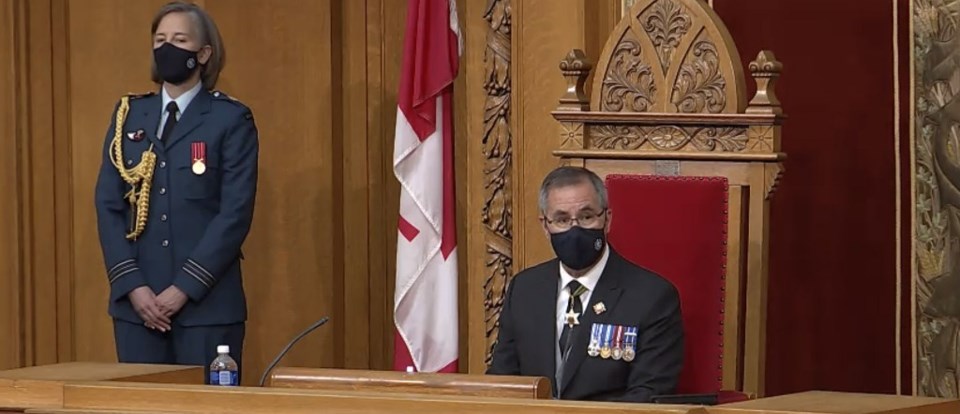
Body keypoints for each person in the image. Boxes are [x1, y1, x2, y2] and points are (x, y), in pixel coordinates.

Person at [94, 1, 257, 381]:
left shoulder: (230, 119)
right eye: (160, 39)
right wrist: (133, 287)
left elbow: (234, 213)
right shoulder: (129, 116)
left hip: (208, 309)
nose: (168, 47)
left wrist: (182, 289)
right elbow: (108, 206)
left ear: (203, 53)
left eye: (180, 39)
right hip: (138, 309)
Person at [486, 166, 683, 402]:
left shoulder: (652, 296)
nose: (574, 229)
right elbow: (501, 383)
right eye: (561, 220)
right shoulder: (525, 289)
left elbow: (648, 396)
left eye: (587, 217)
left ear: (607, 219)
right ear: (545, 226)